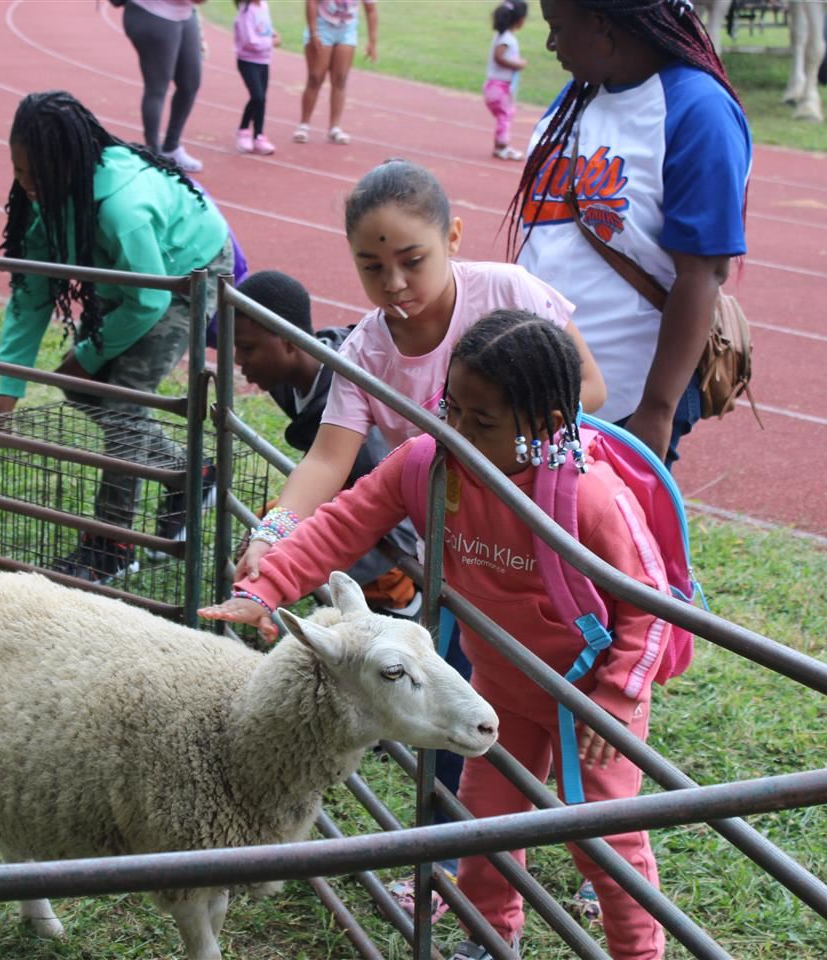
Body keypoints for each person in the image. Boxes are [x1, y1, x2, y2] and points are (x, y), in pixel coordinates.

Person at [203, 309, 670, 960]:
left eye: (482, 422)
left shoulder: (590, 498)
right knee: (483, 829)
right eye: (451, 408)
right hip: (500, 687)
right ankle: (489, 936)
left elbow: (651, 603)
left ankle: (638, 954)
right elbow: (346, 521)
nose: (456, 430)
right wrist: (266, 587)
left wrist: (618, 696)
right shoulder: (431, 463)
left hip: (586, 704)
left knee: (603, 844)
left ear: (548, 427)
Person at [235, 158, 605, 585]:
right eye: (372, 267)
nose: (393, 283)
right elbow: (325, 460)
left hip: (544, 519)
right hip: (454, 543)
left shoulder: (509, 291)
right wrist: (271, 533)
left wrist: (508, 445)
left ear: (452, 237)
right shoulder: (364, 354)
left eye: (412, 261)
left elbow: (590, 387)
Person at [0, 91, 234, 584]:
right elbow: (31, 293)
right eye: (19, 172)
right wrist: (7, 390)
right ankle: (192, 473)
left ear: (68, 164)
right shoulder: (45, 203)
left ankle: (112, 546)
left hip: (187, 275)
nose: (27, 186)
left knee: (122, 403)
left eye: (37, 175)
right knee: (80, 386)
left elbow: (149, 301)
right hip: (129, 277)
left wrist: (89, 352)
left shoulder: (121, 209)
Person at [508, 0, 751, 466]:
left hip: (626, 403)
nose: (550, 44)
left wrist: (656, 412)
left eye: (557, 27)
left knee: (599, 540)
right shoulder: (580, 93)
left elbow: (702, 273)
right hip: (541, 386)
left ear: (600, 23)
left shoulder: (700, 112)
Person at [232, 269, 420, 617]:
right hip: (348, 495)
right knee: (259, 530)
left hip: (394, 527)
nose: (239, 362)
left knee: (301, 556)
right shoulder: (285, 381)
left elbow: (403, 522)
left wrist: (318, 570)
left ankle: (402, 601)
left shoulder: (360, 425)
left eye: (248, 348)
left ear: (288, 341)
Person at [122, 0, 208, 172]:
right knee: (157, 88)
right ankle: (153, 155)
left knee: (190, 83)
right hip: (152, 13)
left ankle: (171, 148)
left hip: (183, 12)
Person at [293, 0, 378, 146]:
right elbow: (311, 2)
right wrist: (314, 32)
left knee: (340, 79)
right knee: (315, 77)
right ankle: (304, 125)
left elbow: (371, 10)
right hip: (322, 26)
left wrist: (372, 42)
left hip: (346, 29)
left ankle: (335, 127)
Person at [233, 0, 281, 155]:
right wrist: (271, 42)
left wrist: (273, 33)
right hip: (248, 61)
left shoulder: (264, 6)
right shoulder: (245, 12)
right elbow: (250, 41)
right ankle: (243, 130)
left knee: (262, 99)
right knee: (257, 97)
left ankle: (259, 135)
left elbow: (264, 27)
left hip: (263, 60)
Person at [485, 0, 529, 161]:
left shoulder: (501, 36)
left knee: (506, 114)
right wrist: (518, 64)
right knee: (505, 115)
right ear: (520, 20)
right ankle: (502, 147)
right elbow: (499, 56)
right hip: (498, 87)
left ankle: (500, 146)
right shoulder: (507, 39)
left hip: (495, 86)